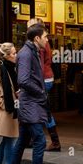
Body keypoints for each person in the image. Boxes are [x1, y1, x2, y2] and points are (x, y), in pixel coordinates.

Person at [6, 23, 56, 164]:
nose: (47, 39)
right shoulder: (27, 54)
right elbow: (24, 80)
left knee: (22, 141)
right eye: (45, 36)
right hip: (30, 105)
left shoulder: (33, 51)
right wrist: (41, 91)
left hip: (32, 104)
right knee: (40, 142)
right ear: (37, 38)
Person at [27, 18, 61, 152]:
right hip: (46, 78)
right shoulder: (44, 42)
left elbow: (39, 64)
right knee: (40, 109)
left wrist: (36, 80)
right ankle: (32, 139)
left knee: (43, 110)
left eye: (29, 25)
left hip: (43, 79)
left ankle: (54, 142)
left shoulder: (40, 44)